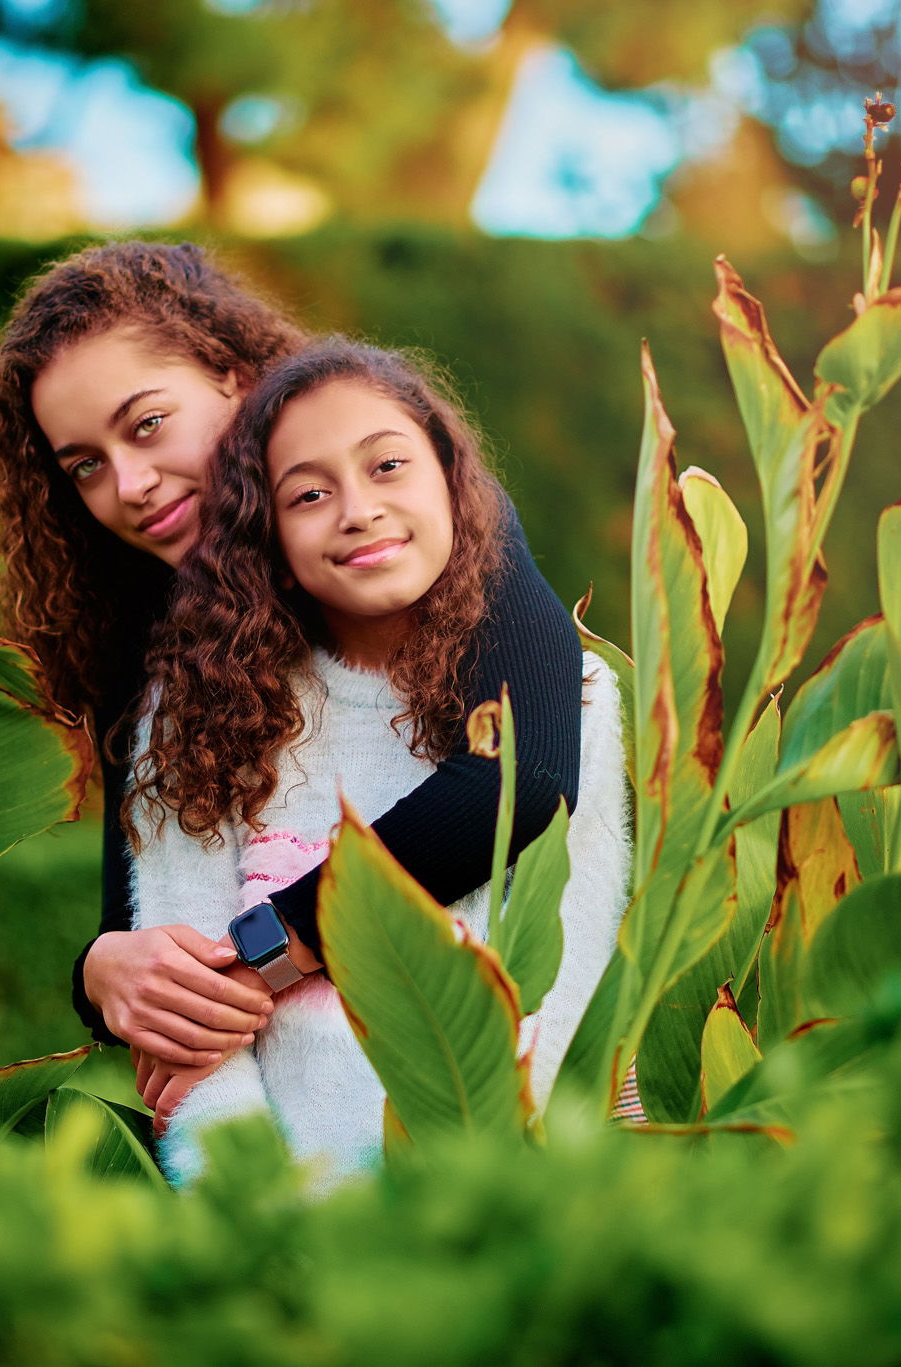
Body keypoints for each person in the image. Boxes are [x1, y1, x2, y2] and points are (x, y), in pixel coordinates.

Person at [0, 242, 587, 1084]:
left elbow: (521, 778)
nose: (129, 484)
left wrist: (264, 953)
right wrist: (105, 972)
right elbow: (144, 894)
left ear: (235, 375)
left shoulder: (410, 517)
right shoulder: (153, 617)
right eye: (85, 465)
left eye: (147, 425)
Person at [122, 340, 631, 1187]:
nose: (357, 509)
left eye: (388, 465)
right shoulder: (195, 716)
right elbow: (191, 1047)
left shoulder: (570, 695)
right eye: (309, 493)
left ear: (452, 481)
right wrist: (261, 1221)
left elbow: (569, 970)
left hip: (505, 1206)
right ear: (267, 536)